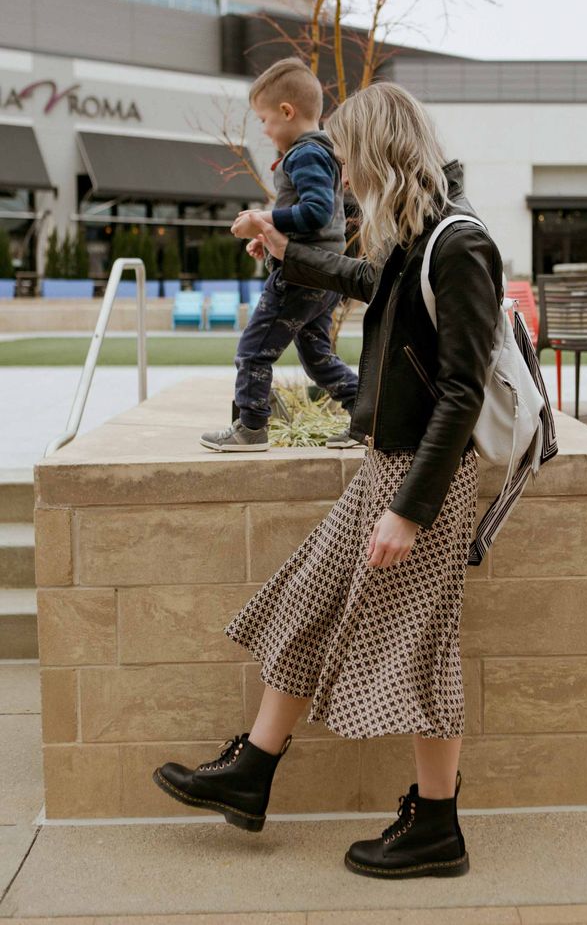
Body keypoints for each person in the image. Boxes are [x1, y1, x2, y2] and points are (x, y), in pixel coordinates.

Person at [154, 81, 503, 880]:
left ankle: (436, 824)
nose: (341, 173)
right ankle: (252, 768)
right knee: (306, 598)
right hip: (385, 463)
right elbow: (365, 279)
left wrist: (409, 512)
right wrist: (285, 249)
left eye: (348, 157)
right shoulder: (417, 234)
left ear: (379, 150)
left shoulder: (460, 242)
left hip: (423, 481)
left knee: (423, 648)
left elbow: (461, 388)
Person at [200, 56, 360, 452]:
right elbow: (320, 220)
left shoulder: (304, 154)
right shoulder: (320, 153)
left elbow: (316, 212)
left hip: (301, 275)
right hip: (322, 276)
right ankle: (365, 417)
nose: (265, 129)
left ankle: (251, 429)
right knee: (318, 356)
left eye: (265, 119)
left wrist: (261, 218)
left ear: (287, 112)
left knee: (253, 351)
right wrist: (270, 233)